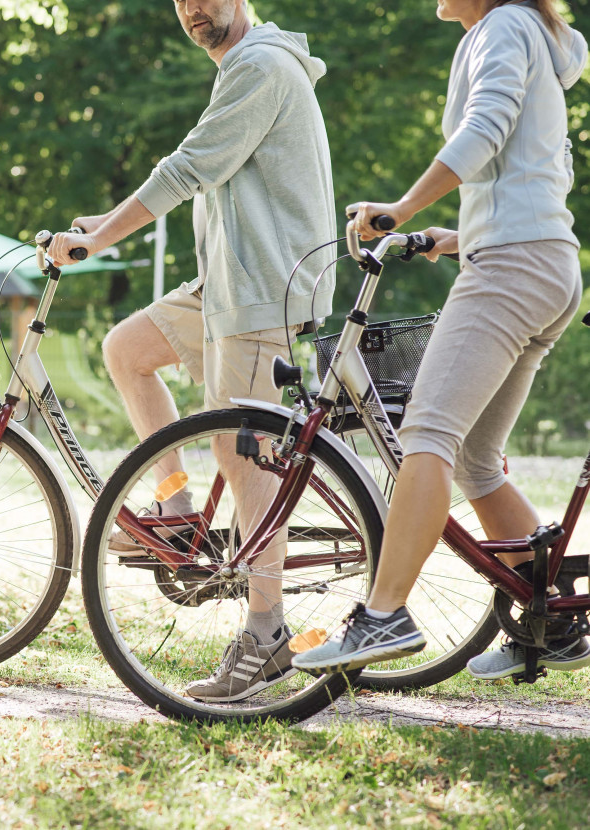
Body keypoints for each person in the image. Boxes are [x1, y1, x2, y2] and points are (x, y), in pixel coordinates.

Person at [292, 0, 590, 680]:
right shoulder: (528, 34)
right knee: (478, 460)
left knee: (427, 430)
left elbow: (484, 131)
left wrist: (400, 207)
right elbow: (532, 167)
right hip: (542, 260)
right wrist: (452, 236)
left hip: (515, 268)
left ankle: (384, 615)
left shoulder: (505, 25)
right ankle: (557, 625)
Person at [48, 0, 336, 700]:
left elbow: (185, 171)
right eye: (181, 1)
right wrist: (105, 223)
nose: (194, 10)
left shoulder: (260, 66)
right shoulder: (244, 66)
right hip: (226, 285)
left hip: (265, 292)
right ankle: (176, 510)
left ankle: (268, 630)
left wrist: (98, 239)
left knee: (242, 459)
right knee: (128, 349)